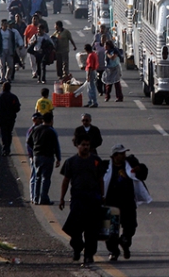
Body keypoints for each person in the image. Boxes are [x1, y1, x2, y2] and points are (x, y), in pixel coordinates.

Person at [102, 144, 152, 261]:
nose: (124, 155)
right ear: (115, 156)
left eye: (124, 153)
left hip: (127, 203)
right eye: (121, 153)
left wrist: (140, 168)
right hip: (111, 205)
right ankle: (114, 251)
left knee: (130, 228)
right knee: (110, 233)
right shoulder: (105, 167)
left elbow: (143, 173)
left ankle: (124, 243)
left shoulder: (131, 163)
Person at [59, 135, 103, 265]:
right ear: (77, 145)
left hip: (93, 200)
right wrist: (62, 198)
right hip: (78, 200)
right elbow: (66, 181)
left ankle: (89, 255)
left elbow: (100, 179)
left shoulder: (96, 161)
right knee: (75, 229)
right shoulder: (71, 162)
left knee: (91, 230)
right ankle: (77, 248)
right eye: (83, 145)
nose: (85, 147)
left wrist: (102, 196)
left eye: (88, 145)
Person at [27, 112, 61, 205]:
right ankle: (44, 198)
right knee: (46, 178)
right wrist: (58, 158)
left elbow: (29, 141)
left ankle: (35, 198)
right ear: (51, 120)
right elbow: (56, 146)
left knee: (37, 177)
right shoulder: (51, 131)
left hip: (37, 156)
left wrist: (34, 150)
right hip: (48, 157)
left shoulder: (36, 129)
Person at [0, 81, 21, 156]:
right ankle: (7, 148)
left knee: (3, 132)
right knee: (9, 132)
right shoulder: (13, 97)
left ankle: (5, 149)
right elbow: (17, 108)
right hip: (10, 118)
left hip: (1, 118)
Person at [0, 19, 20, 84]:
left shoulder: (11, 33)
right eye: (4, 24)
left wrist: (14, 50)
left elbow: (13, 42)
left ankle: (8, 77)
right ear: (2, 25)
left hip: (9, 50)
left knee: (10, 65)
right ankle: (2, 78)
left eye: (6, 24)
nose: (5, 25)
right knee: (2, 65)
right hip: (1, 50)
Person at [26, 112, 44, 202]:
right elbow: (28, 144)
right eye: (39, 119)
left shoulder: (41, 129)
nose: (41, 121)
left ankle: (38, 196)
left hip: (40, 155)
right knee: (34, 176)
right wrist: (31, 156)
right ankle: (33, 196)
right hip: (34, 156)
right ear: (34, 120)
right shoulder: (32, 130)